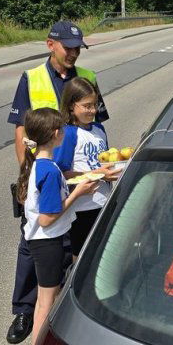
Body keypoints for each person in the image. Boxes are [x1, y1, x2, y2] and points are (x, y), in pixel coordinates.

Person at [5, 20, 108, 345]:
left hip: (73, 174)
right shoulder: (32, 78)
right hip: (42, 172)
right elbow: (21, 129)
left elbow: (99, 128)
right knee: (32, 242)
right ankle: (24, 308)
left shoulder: (87, 78)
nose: (73, 53)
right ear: (51, 44)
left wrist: (105, 164)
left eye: (78, 48)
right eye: (68, 47)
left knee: (69, 240)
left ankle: (65, 300)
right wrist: (28, 175)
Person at [15, 107, 99, 345]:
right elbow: (47, 218)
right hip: (48, 242)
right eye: (61, 128)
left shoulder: (39, 164)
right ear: (55, 134)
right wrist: (78, 194)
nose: (64, 131)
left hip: (43, 241)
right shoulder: (50, 171)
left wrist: (78, 185)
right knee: (46, 302)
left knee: (46, 298)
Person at [54, 78, 119, 264]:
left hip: (103, 202)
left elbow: (103, 160)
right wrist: (97, 174)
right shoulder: (68, 133)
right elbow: (61, 173)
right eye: (86, 106)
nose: (92, 110)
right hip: (82, 207)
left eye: (95, 105)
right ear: (71, 106)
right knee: (81, 256)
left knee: (101, 252)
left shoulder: (99, 129)